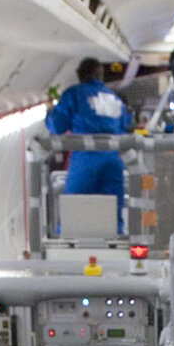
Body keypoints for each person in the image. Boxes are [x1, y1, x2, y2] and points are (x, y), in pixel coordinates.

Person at [45, 58, 134, 232]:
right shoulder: (114, 99)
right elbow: (123, 129)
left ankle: (68, 250)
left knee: (74, 208)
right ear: (101, 76)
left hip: (86, 160)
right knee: (112, 211)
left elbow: (57, 126)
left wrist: (50, 110)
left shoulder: (75, 94)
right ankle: (113, 248)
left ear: (80, 75)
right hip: (113, 160)